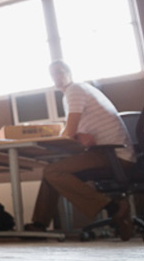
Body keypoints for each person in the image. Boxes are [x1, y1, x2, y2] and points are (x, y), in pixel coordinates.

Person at [24, 60, 136, 240]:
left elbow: (69, 132)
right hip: (106, 153)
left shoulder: (74, 90)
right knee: (52, 170)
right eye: (53, 73)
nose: (56, 76)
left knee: (52, 170)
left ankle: (114, 207)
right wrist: (77, 134)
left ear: (69, 74)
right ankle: (39, 224)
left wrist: (74, 134)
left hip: (113, 155)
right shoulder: (74, 93)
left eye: (60, 72)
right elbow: (73, 131)